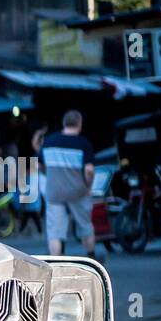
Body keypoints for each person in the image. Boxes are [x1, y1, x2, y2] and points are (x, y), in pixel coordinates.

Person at [39, 110, 96, 257]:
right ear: (79, 124)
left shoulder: (48, 141)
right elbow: (89, 170)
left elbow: (39, 166)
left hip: (54, 192)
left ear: (64, 123)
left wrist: (50, 175)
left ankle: (57, 264)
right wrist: (88, 186)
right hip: (78, 192)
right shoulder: (83, 144)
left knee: (55, 233)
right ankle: (91, 258)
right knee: (85, 227)